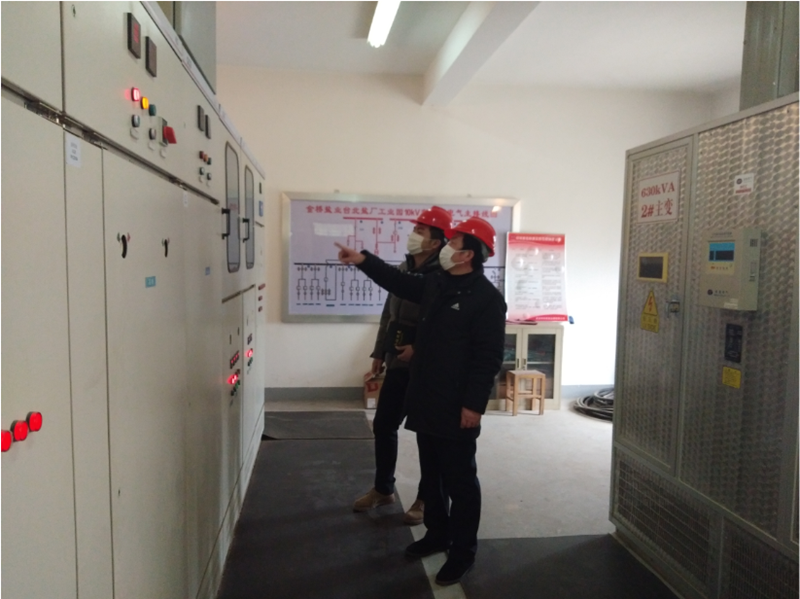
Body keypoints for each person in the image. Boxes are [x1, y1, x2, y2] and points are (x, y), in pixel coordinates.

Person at [336, 216, 506, 586]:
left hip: (457, 404)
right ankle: (437, 534)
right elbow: (397, 282)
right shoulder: (437, 283)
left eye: (454, 242)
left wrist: (474, 406)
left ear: (467, 255)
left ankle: (462, 553)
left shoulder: (487, 300)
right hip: (426, 396)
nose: (446, 246)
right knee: (432, 474)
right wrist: (363, 260)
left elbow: (488, 358)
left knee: (460, 481)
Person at [353, 206, 453, 526]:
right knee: (384, 424)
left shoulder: (443, 276)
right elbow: (389, 313)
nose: (413, 235)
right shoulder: (403, 268)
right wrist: (379, 350)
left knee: (427, 435)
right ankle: (383, 489)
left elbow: (447, 325)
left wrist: (419, 349)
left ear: (435, 242)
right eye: (416, 229)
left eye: (420, 231)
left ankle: (425, 499)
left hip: (426, 368)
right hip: (397, 359)